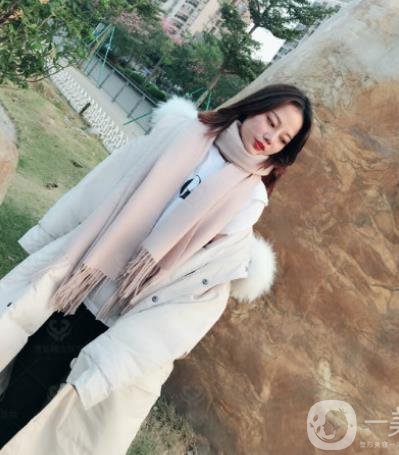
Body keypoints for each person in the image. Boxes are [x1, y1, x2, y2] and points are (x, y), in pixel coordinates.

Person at [0, 83, 312, 453]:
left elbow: (200, 274)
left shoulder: (250, 199)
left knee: (64, 413)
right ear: (252, 108)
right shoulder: (185, 134)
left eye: (283, 138)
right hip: (83, 281)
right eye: (271, 122)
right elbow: (107, 182)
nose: (270, 137)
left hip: (126, 315)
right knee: (24, 380)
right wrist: (53, 236)